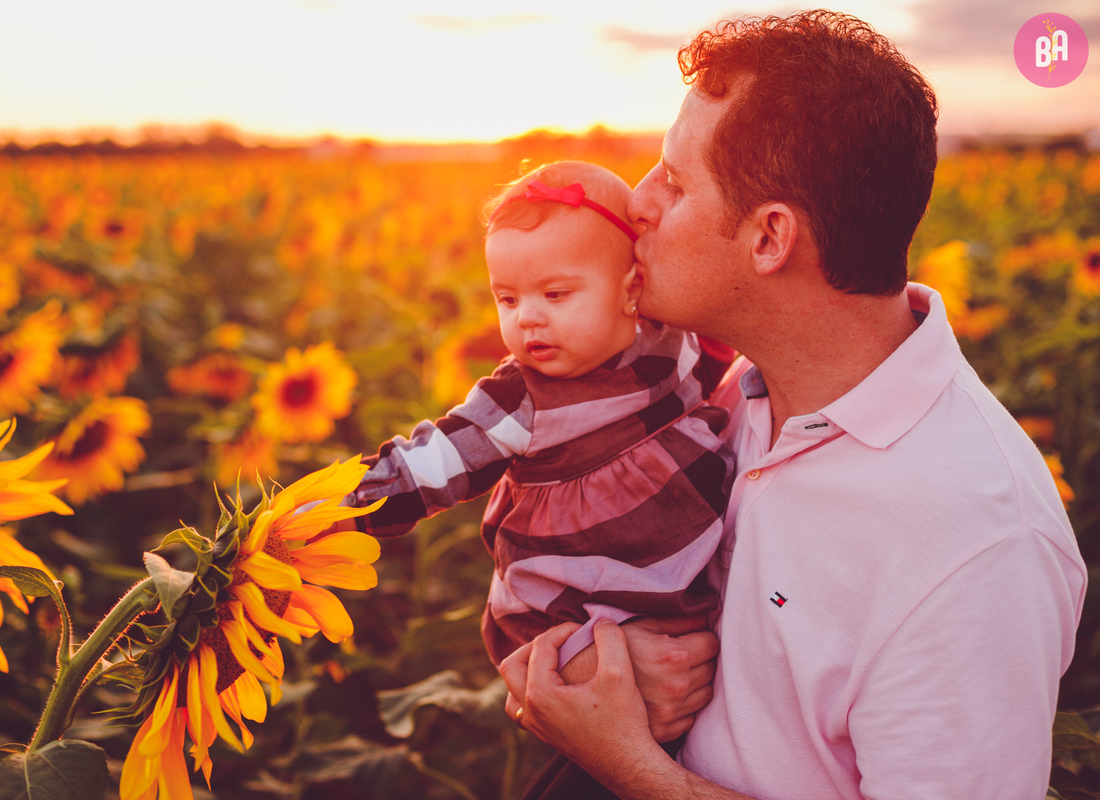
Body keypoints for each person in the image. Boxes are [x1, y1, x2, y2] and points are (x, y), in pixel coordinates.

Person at [499, 11, 1087, 800]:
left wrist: (632, 767)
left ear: (769, 239)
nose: (637, 203)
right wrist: (608, 656)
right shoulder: (720, 389)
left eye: (674, 182)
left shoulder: (975, 546)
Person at [342, 160, 736, 672]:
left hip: (677, 578)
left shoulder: (672, 338)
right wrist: (345, 509)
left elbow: (722, 356)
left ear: (631, 289)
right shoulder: (521, 397)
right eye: (507, 299)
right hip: (566, 605)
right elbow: (434, 463)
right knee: (575, 678)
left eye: (556, 295)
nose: (527, 316)